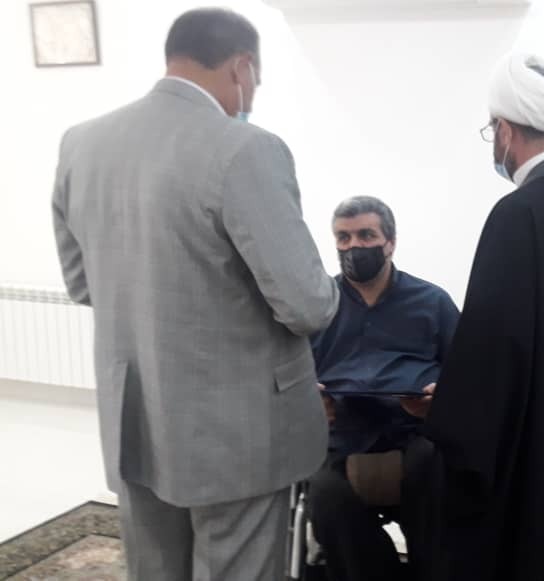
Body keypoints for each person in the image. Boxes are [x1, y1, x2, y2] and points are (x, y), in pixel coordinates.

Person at [51, 9, 339, 580]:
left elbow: (81, 283)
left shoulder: (82, 143)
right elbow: (307, 304)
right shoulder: (245, 149)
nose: (250, 94)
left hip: (135, 417)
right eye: (255, 80)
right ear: (241, 67)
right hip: (237, 430)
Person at [406, 53, 544, 581]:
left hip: (534, 453)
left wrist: (447, 405)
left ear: (506, 131)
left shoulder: (516, 215)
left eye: (492, 132)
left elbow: (493, 350)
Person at [307, 196, 459, 581]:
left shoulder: (432, 302)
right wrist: (308, 398)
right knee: (325, 496)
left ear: (390, 242)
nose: (353, 247)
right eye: (343, 238)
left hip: (414, 432)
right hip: (342, 435)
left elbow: (466, 376)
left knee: (438, 474)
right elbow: (292, 373)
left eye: (366, 235)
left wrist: (439, 398)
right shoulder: (318, 306)